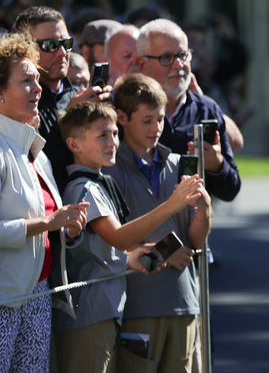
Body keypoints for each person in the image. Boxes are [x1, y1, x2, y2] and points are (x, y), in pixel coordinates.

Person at [53, 102, 204, 373]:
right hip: (89, 314)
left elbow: (106, 250)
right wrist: (172, 204)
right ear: (74, 145)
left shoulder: (97, 184)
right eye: (102, 135)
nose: (112, 142)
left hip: (105, 311)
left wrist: (132, 258)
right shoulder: (83, 188)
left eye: (114, 134)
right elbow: (119, 238)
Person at [102, 73, 211, 372]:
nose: (156, 128)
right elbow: (112, 243)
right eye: (147, 120)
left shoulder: (177, 163)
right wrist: (163, 251)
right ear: (122, 118)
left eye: (161, 119)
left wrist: (205, 209)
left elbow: (196, 240)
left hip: (184, 301)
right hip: (138, 304)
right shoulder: (109, 172)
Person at [0, 32, 88, 373]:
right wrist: (49, 224)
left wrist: (67, 228)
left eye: (37, 80)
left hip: (37, 293)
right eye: (25, 81)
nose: (37, 89)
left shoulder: (34, 151)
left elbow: (50, 222)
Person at [136, 18, 240, 202]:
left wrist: (217, 165)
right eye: (166, 58)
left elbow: (231, 189)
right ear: (143, 65)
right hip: (141, 228)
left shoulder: (207, 109)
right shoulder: (127, 111)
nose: (179, 64)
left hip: (195, 228)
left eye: (183, 55)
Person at [14, 6, 112, 190]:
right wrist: (70, 119)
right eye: (50, 45)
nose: (62, 53)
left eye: (66, 43)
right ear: (25, 48)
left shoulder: (81, 95)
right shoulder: (16, 101)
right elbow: (34, 162)